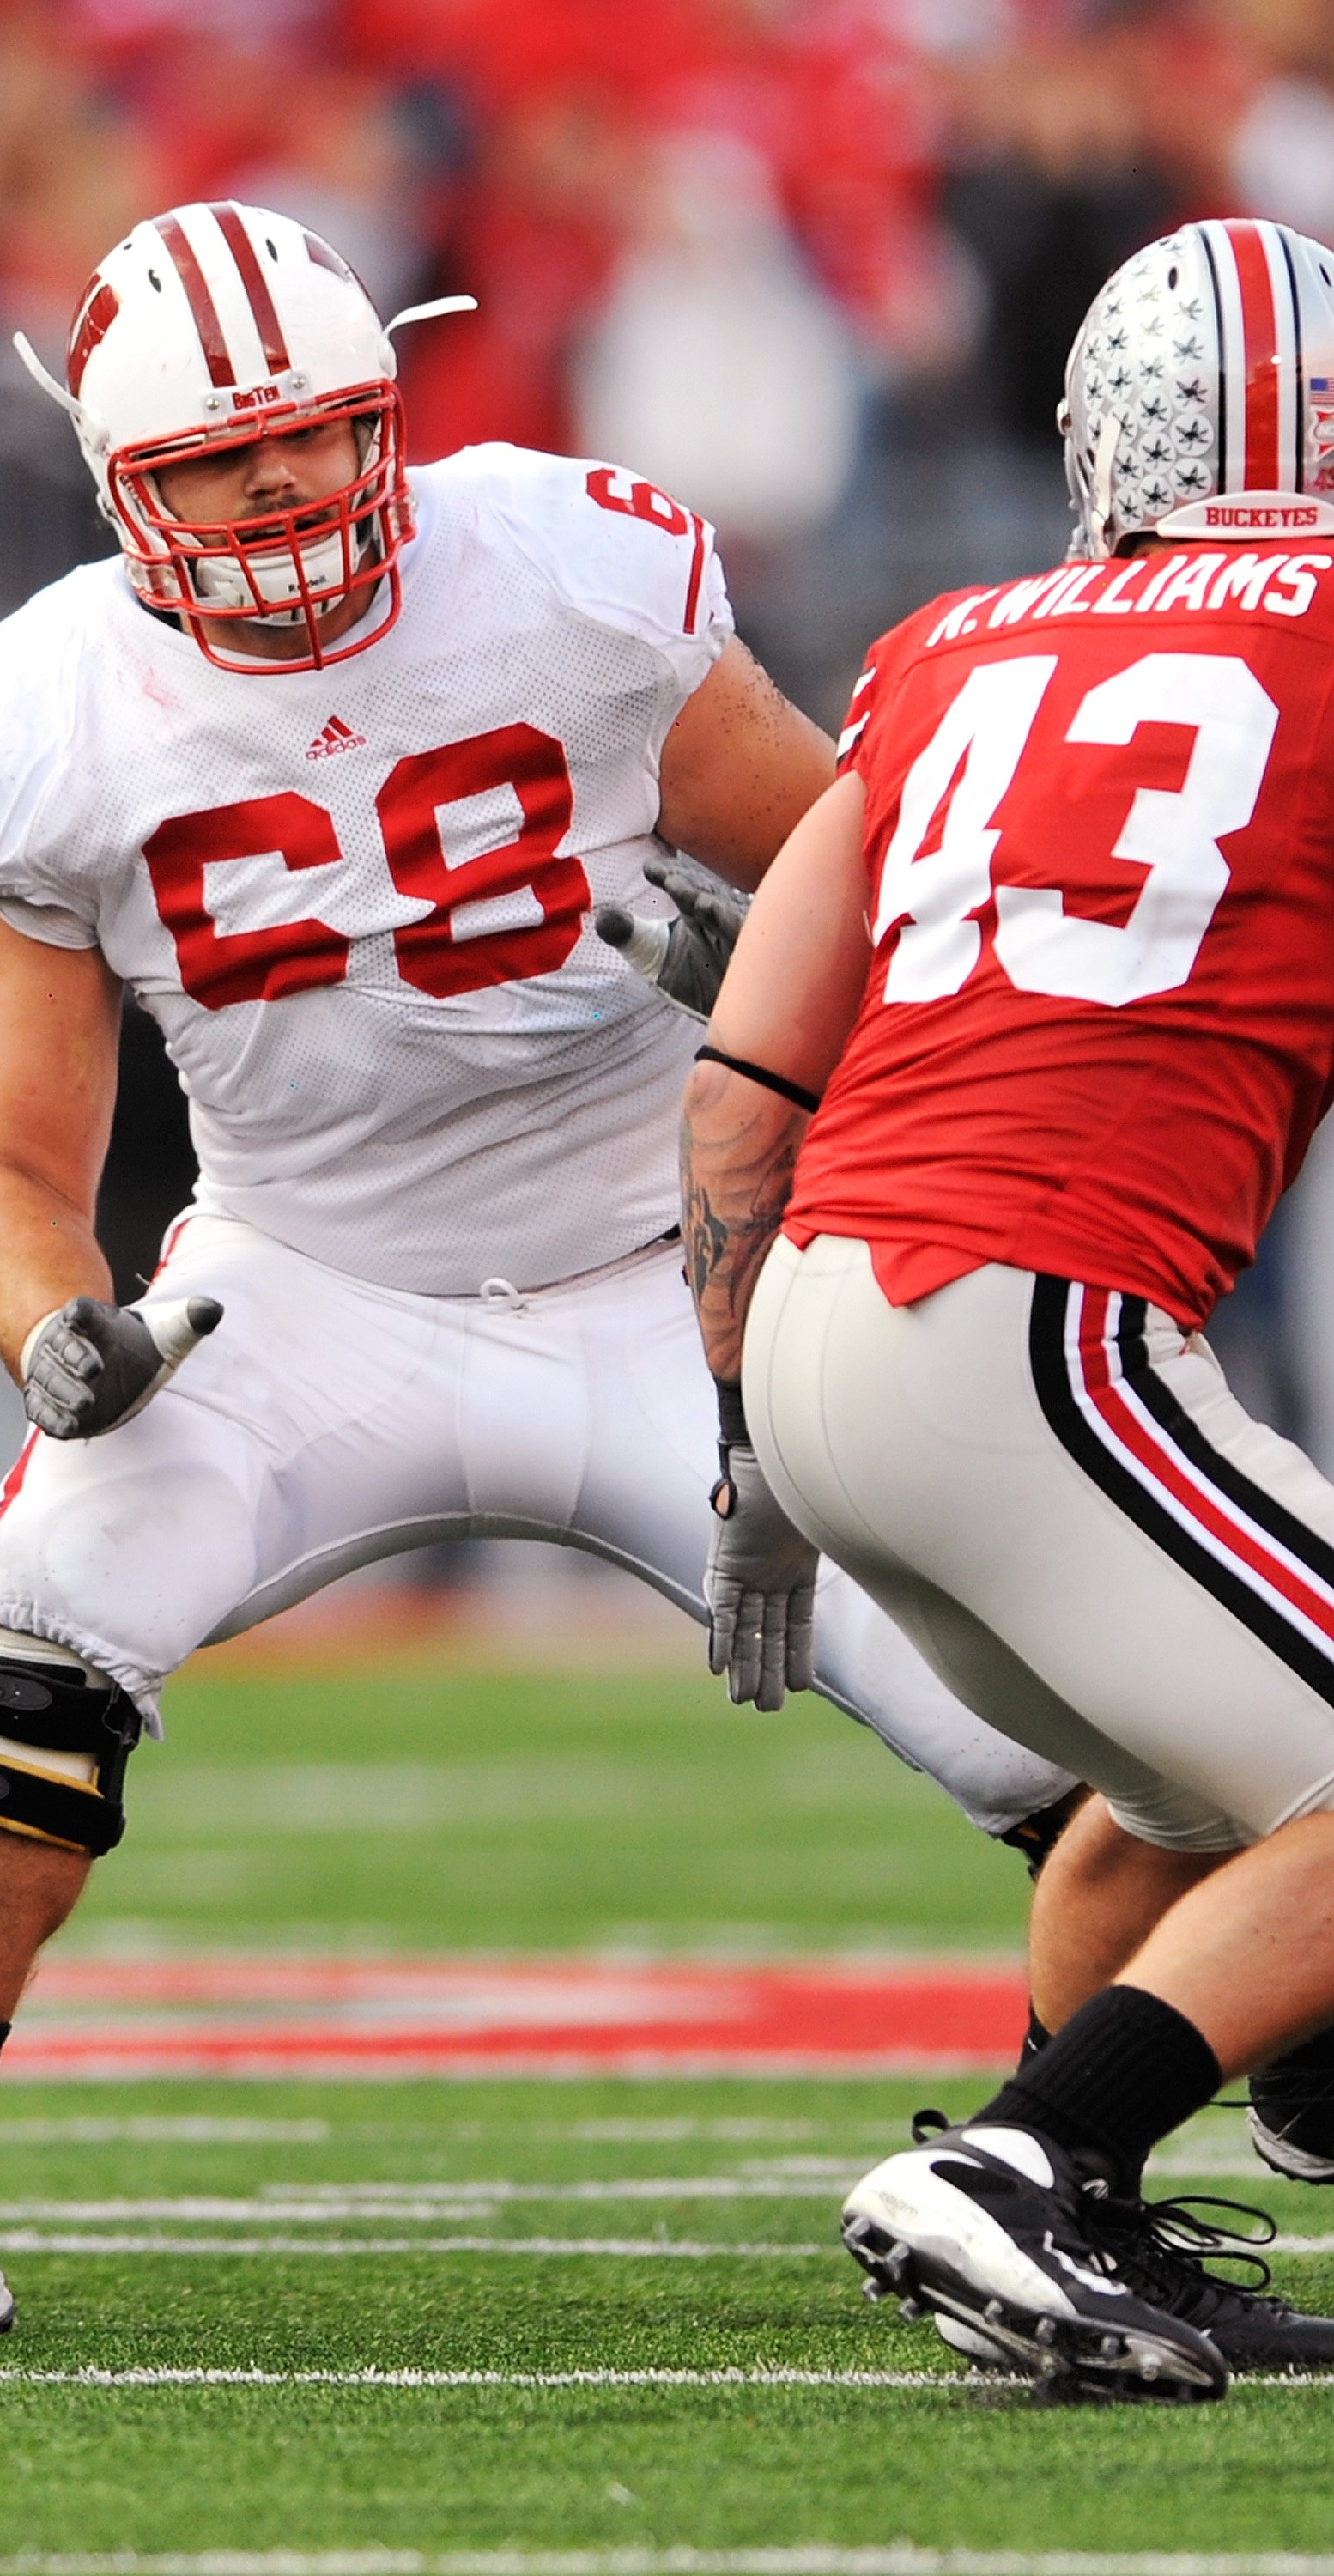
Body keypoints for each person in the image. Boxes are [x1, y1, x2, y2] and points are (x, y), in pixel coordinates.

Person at [0, 199, 1076, 2346]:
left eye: (318, 435)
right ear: (115, 486)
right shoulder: (51, 714)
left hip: (673, 1267)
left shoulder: (558, 569)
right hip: (303, 1287)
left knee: (1046, 1709)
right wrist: (53, 1332)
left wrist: (757, 1000)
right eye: (217, 462)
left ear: (386, 420)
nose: (279, 489)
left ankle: (1074, 2155)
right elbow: (4, 1165)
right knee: (34, 1622)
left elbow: (856, 876)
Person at [677, 216, 1334, 2401]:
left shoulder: (947, 642)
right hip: (1026, 1320)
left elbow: (745, 1088)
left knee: (1164, 1808)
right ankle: (1031, 2165)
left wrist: (753, 1454)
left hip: (835, 1325)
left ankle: (1096, 2212)